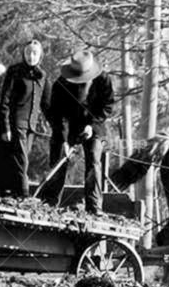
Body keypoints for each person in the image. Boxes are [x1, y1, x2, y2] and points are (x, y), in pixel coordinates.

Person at [42, 49, 116, 214]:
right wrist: (64, 139)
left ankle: (94, 206)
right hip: (69, 124)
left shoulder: (103, 79)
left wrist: (92, 125)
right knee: (59, 155)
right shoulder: (61, 84)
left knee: (94, 160)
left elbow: (108, 105)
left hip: (94, 124)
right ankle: (49, 202)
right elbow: (57, 114)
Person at [0, 39, 51, 197]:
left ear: (40, 56)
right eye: (28, 53)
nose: (31, 56)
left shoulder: (42, 75)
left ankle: (12, 192)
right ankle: (24, 194)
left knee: (20, 159)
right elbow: (4, 101)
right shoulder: (15, 71)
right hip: (16, 123)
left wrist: (58, 127)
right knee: (22, 160)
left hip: (31, 126)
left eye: (35, 53)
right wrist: (4, 127)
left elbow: (46, 105)